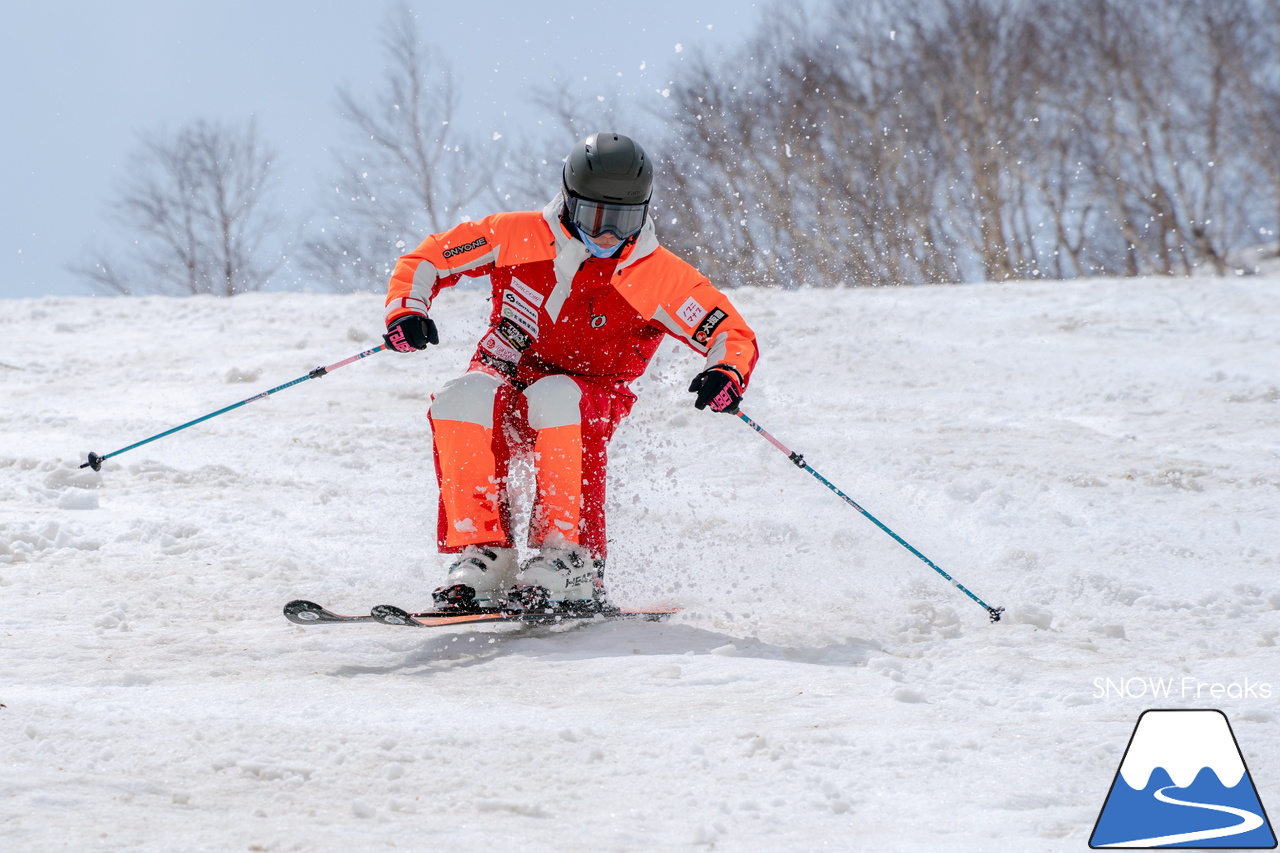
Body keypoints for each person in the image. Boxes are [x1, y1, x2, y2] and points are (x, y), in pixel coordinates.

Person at [381, 132, 759, 612]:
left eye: (622, 221)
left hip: (586, 399)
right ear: (567, 200)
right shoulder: (515, 236)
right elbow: (427, 260)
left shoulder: (656, 275)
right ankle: (487, 554)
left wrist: (726, 371)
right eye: (593, 217)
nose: (606, 235)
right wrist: (408, 310)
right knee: (460, 397)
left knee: (557, 394)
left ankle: (571, 558)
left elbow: (728, 331)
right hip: (507, 377)